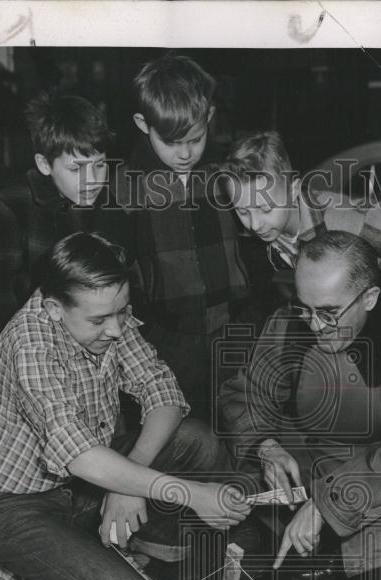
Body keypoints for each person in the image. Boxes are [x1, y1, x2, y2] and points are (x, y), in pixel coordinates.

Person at [0, 231, 250, 580]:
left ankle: (144, 548)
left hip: (81, 485)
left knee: (195, 439)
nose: (115, 330)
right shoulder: (30, 345)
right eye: (99, 320)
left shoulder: (105, 312)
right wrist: (189, 493)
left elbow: (162, 391)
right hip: (11, 504)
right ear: (55, 309)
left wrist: (132, 480)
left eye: (122, 313)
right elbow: (80, 455)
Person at [218, 230, 381, 580]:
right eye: (306, 308)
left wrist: (325, 503)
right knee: (230, 477)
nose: (315, 325)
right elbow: (248, 393)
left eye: (329, 313)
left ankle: (348, 562)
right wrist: (267, 447)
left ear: (369, 298)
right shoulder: (292, 321)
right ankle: (296, 544)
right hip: (315, 451)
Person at [114, 53, 249, 422]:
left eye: (195, 139)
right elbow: (117, 272)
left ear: (209, 118)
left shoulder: (225, 176)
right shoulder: (126, 186)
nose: (185, 153)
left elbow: (251, 245)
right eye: (171, 142)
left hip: (229, 331)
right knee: (178, 438)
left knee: (235, 425)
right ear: (144, 124)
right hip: (164, 341)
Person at [0, 91, 129, 347]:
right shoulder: (15, 204)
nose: (91, 179)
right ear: (44, 164)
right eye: (75, 168)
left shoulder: (113, 203)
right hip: (36, 350)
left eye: (100, 164)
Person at [223, 131, 381, 302]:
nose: (254, 224)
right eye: (242, 211)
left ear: (294, 190)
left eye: (265, 209)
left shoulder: (345, 222)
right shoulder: (270, 232)